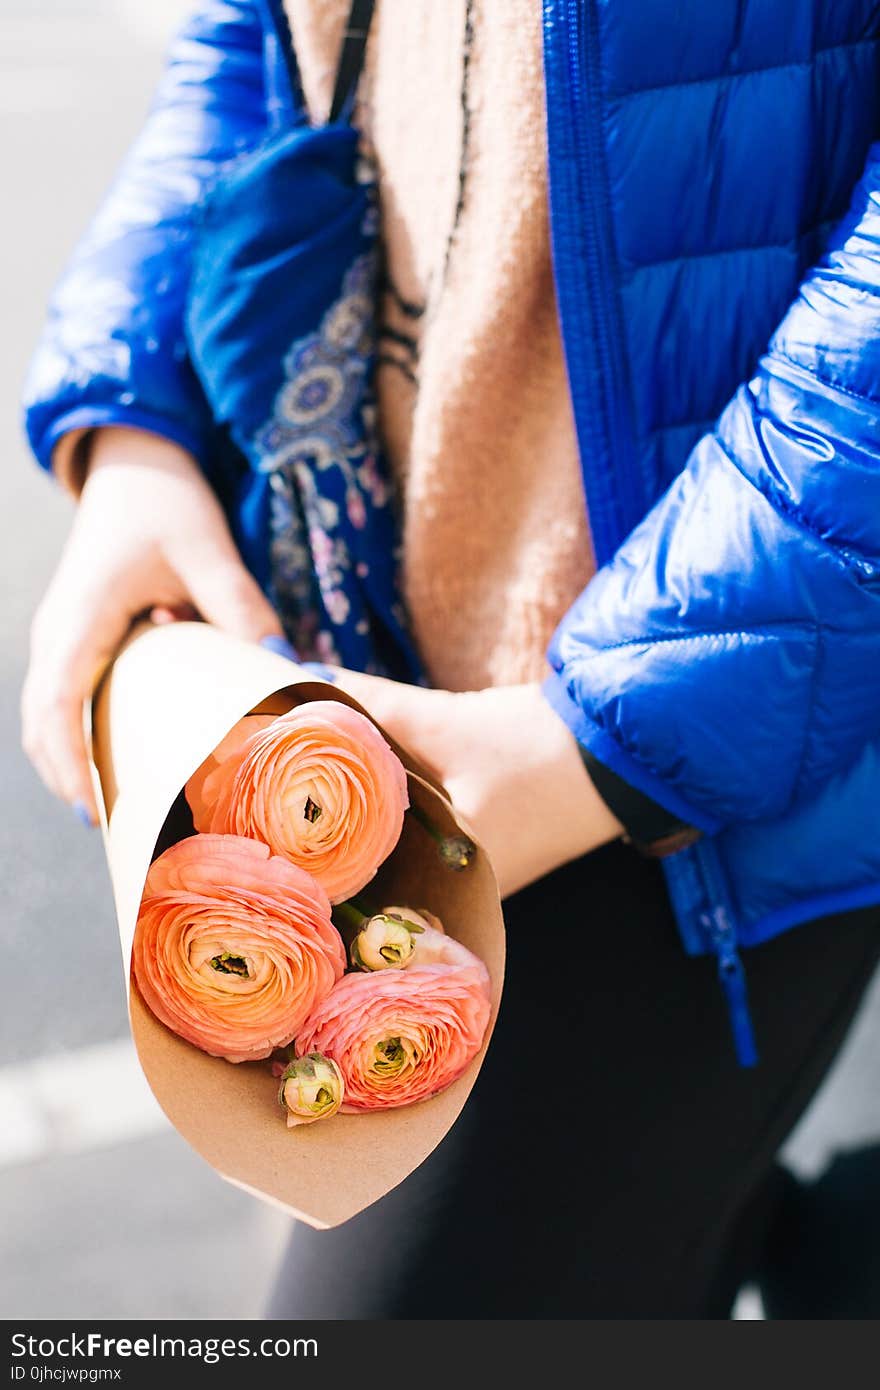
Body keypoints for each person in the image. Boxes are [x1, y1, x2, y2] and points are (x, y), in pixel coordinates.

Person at [21, 0, 880, 1318]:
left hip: (686, 777)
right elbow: (245, 39)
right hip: (361, 669)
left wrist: (602, 736)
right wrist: (130, 424)